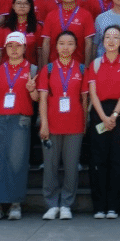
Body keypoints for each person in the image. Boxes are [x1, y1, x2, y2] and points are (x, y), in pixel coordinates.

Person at [0, 31, 38, 221]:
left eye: (18, 46)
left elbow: (37, 99)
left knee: (17, 162)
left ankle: (15, 204)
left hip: (20, 119)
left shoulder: (32, 70)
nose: (14, 49)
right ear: (5, 48)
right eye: (10, 46)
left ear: (24, 48)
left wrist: (32, 90)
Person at [37, 30, 87, 220]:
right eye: (62, 43)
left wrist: (84, 123)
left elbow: (85, 100)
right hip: (52, 125)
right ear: (56, 46)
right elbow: (43, 99)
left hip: (75, 125)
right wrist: (44, 123)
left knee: (71, 167)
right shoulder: (48, 69)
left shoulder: (81, 69)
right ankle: (51, 204)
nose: (66, 47)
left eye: (70, 43)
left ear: (75, 47)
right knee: (50, 167)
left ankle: (66, 203)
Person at [87, 25, 120, 219]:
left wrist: (114, 116)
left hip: (119, 113)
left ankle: (114, 206)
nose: (111, 41)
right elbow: (92, 94)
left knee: (118, 160)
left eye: (115, 37)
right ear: (103, 41)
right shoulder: (95, 64)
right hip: (99, 112)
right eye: (107, 37)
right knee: (98, 159)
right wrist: (104, 117)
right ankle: (99, 206)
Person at [39, 0, 96, 67]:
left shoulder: (86, 15)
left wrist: (86, 67)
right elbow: (46, 43)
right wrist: (45, 67)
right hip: (54, 65)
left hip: (78, 65)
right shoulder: (51, 15)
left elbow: (88, 43)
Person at [0, 0, 41, 67]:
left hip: (29, 70)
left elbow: (40, 54)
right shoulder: (4, 29)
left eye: (25, 3)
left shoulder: (37, 28)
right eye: (18, 3)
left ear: (30, 6)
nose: (22, 6)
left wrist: (40, 71)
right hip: (6, 71)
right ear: (13, 6)